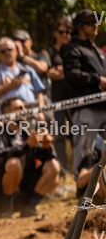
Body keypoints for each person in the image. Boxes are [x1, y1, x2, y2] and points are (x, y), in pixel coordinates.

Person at [0, 97, 60, 218]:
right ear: (7, 113)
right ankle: (6, 209)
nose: (25, 110)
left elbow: (42, 159)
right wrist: (27, 146)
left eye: (24, 107)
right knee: (14, 163)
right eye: (20, 108)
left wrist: (47, 146)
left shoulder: (26, 133)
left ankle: (29, 208)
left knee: (54, 166)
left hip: (24, 191)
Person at [63, 10, 106, 179]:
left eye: (96, 21)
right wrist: (98, 80)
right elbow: (71, 74)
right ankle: (81, 187)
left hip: (104, 106)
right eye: (90, 22)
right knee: (84, 148)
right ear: (80, 27)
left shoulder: (99, 52)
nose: (95, 25)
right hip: (85, 107)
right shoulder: (72, 49)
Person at [0, 37, 47, 115]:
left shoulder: (28, 69)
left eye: (9, 49)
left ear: (16, 50)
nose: (7, 53)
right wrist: (9, 86)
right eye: (3, 51)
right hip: (6, 120)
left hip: (30, 116)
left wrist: (41, 113)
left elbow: (39, 93)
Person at [44, 19, 74, 175]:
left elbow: (75, 72)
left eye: (68, 32)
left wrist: (61, 71)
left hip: (74, 98)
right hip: (56, 100)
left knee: (77, 134)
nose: (65, 35)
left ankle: (79, 168)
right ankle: (63, 170)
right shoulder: (49, 52)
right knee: (59, 135)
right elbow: (50, 73)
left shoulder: (73, 50)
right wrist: (66, 72)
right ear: (55, 33)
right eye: (61, 31)